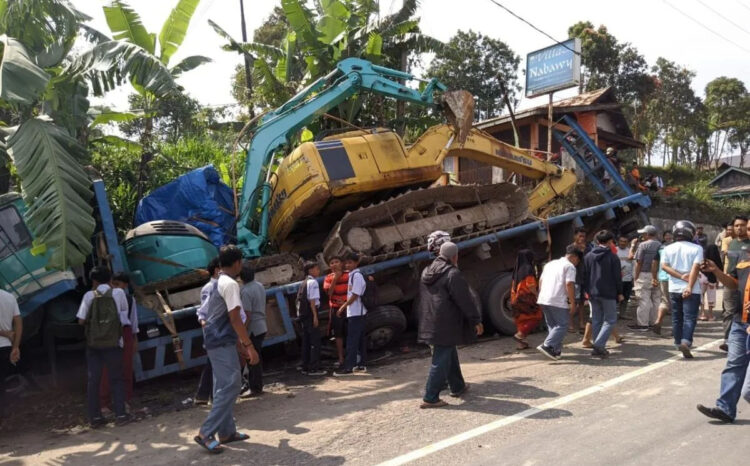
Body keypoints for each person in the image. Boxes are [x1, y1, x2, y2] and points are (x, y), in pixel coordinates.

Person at [194, 245, 259, 454]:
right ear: (238, 263)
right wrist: (249, 346)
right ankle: (206, 432)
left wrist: (238, 344)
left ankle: (226, 431)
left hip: (216, 340)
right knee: (232, 384)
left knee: (221, 386)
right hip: (221, 341)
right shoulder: (230, 284)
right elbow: (234, 318)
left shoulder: (215, 283)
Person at [417, 241, 482, 408]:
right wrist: (475, 320)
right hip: (445, 323)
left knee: (448, 351)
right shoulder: (453, 274)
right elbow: (465, 300)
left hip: (429, 320)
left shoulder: (426, 271)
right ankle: (430, 397)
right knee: (441, 358)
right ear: (455, 256)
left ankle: (457, 386)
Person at [696, 247, 750, 423]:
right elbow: (733, 283)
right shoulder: (743, 256)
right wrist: (716, 271)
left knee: (748, 391)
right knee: (734, 364)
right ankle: (725, 409)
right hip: (740, 322)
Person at [77, 266, 131, 427]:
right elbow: (123, 315)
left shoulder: (88, 296)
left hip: (94, 344)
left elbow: (80, 320)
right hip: (113, 342)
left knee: (94, 380)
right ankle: (121, 415)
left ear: (93, 281)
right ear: (110, 279)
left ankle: (95, 418)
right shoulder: (119, 293)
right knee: (116, 378)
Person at [661, 221, 703, 359]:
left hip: (674, 288)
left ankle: (678, 342)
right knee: (690, 317)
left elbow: (664, 267)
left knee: (677, 317)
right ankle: (686, 341)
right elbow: (696, 268)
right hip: (692, 288)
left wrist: (680, 276)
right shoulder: (697, 248)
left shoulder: (668, 248)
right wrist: (689, 285)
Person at [99, 272, 138, 412]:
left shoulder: (129, 299)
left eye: (118, 284)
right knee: (106, 370)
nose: (115, 287)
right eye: (113, 284)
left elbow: (133, 321)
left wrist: (134, 339)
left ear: (125, 285)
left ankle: (124, 401)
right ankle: (104, 402)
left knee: (126, 369)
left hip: (125, 332)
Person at [537, 245, 582, 360]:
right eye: (578, 260)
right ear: (574, 257)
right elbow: (569, 284)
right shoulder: (569, 266)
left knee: (552, 325)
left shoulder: (550, 264)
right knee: (562, 325)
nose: (577, 263)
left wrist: (542, 294)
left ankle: (555, 350)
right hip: (558, 299)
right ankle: (547, 345)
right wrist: (572, 302)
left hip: (544, 298)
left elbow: (541, 281)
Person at [583, 231, 624, 358]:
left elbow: (585, 275)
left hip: (593, 293)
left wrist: (587, 291)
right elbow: (617, 277)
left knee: (596, 319)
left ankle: (597, 346)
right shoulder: (612, 257)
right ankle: (599, 345)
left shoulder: (588, 256)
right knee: (610, 320)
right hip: (609, 292)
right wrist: (620, 292)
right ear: (609, 242)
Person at [334, 252, 369, 376]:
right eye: (346, 262)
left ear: (356, 263)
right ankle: (361, 364)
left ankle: (349, 367)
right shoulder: (352, 275)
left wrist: (343, 306)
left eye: (350, 262)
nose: (347, 265)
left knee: (352, 341)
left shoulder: (357, 276)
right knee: (358, 340)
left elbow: (355, 295)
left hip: (357, 313)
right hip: (354, 312)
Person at [721, 215, 750, 351]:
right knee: (728, 310)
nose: (739, 228)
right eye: (737, 225)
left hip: (745, 281)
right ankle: (727, 339)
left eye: (742, 225)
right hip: (731, 278)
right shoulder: (731, 242)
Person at [195, 258, 221, 405]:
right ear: (217, 270)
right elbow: (203, 312)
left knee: (212, 363)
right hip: (216, 332)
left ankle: (204, 395)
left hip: (215, 332)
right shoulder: (212, 287)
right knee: (216, 364)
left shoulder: (214, 286)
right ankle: (212, 396)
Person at [239, 262, 267, 397]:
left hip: (253, 328)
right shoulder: (259, 285)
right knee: (257, 357)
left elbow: (247, 315)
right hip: (261, 325)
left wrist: (242, 332)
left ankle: (254, 388)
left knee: (252, 359)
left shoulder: (245, 291)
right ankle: (257, 386)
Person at [629, 225, 661, 331]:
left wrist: (636, 276)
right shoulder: (661, 245)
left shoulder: (643, 245)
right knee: (656, 299)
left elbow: (639, 262)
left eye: (643, 233)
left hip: (644, 274)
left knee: (643, 299)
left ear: (647, 234)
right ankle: (654, 322)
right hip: (657, 275)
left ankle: (643, 324)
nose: (642, 235)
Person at [297, 261, 326, 376]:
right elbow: (312, 301)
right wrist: (315, 316)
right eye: (316, 269)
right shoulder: (313, 282)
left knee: (307, 341)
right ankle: (314, 367)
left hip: (304, 315)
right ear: (310, 271)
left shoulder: (304, 283)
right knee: (315, 342)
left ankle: (305, 365)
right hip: (311, 313)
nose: (318, 271)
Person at [510, 250, 542, 350]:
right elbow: (531, 285)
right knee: (537, 316)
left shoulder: (517, 269)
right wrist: (537, 295)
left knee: (521, 320)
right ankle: (520, 335)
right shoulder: (528, 268)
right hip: (526, 298)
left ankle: (521, 344)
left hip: (516, 298)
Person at [323, 256, 349, 367]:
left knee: (350, 332)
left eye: (336, 262)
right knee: (338, 334)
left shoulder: (349, 275)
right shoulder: (328, 278)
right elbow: (329, 293)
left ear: (342, 263)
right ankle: (341, 358)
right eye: (332, 262)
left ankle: (353, 355)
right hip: (336, 309)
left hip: (349, 307)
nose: (334, 264)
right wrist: (335, 278)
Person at [0, 289, 22, 419]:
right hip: (6, 347)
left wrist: (5, 333)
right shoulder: (9, 297)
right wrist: (15, 347)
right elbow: (18, 323)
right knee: (1, 384)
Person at [571, 227, 592, 333]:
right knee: (574, 301)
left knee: (582, 302)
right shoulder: (571, 248)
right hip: (575, 278)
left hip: (586, 277)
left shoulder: (588, 247)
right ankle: (570, 324)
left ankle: (581, 322)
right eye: (580, 236)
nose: (582, 238)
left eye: (583, 236)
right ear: (575, 236)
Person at [700, 243, 722, 322]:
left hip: (701, 278)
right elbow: (720, 270)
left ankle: (702, 313)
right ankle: (710, 315)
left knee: (701, 295)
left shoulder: (703, 259)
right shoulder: (716, 261)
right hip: (712, 279)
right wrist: (717, 280)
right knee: (711, 296)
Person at [616, 234, 634, 319]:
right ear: (618, 242)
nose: (623, 243)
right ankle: (613, 313)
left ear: (628, 243)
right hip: (617, 279)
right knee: (615, 297)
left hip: (628, 279)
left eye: (625, 241)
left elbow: (634, 265)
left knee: (626, 297)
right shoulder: (614, 250)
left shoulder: (630, 251)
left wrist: (633, 278)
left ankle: (622, 314)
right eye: (621, 241)